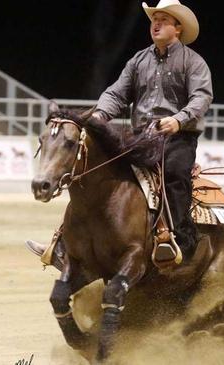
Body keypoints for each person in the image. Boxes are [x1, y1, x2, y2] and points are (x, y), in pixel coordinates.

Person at [90, 0, 213, 263]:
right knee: (102, 171)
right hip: (141, 136)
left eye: (164, 20)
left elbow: (201, 98)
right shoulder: (138, 61)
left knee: (174, 173)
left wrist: (179, 120)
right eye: (153, 19)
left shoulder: (193, 62)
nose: (155, 24)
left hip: (178, 137)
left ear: (178, 28)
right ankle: (78, 237)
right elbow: (116, 93)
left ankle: (181, 239)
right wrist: (101, 114)